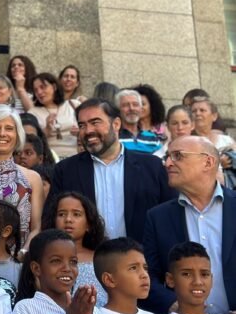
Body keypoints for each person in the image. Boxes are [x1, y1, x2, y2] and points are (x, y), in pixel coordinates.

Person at [50, 98, 174, 243]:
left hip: (142, 259)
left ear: (116, 124)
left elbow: (170, 216)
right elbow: (52, 220)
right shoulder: (65, 171)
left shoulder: (152, 167)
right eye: (82, 125)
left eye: (95, 122)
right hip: (87, 260)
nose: (88, 131)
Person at [144, 135, 236, 314]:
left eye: (178, 156)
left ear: (208, 162)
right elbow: (149, 275)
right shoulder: (158, 217)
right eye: (167, 157)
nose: (168, 163)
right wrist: (172, 304)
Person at [0, 105, 44, 247]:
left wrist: (22, 255)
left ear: (18, 134)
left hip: (18, 260)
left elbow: (36, 228)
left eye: (9, 128)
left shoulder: (33, 178)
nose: (2, 133)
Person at [45, 191, 108, 307]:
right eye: (61, 214)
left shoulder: (102, 257)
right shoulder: (43, 256)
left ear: (89, 224)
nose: (68, 219)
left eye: (76, 214)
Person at [28, 72, 79, 159]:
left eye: (42, 87)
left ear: (54, 87)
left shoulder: (73, 105)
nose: (39, 92)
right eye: (36, 90)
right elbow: (30, 142)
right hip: (50, 159)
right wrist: (46, 130)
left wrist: (80, 132)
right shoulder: (32, 113)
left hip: (76, 156)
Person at [116, 88, 163, 154]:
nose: (131, 108)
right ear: (118, 110)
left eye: (135, 104)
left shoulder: (152, 138)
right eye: (126, 105)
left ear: (140, 109)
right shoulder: (113, 137)